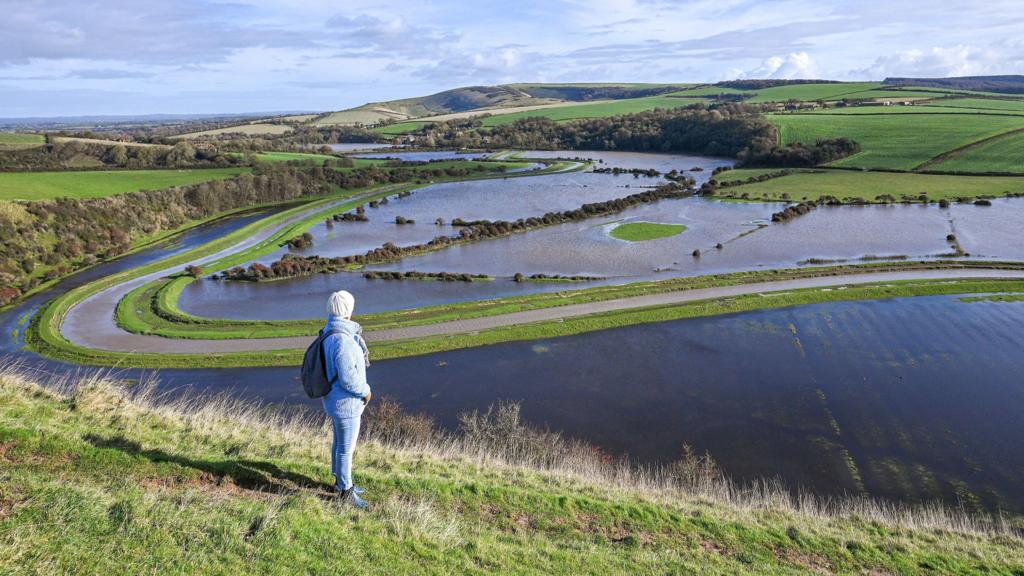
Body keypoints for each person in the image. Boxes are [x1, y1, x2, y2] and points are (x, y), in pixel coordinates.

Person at [322, 290, 372, 509]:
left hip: (334, 399)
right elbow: (349, 379)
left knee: (339, 443)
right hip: (346, 404)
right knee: (346, 449)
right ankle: (345, 492)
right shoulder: (343, 339)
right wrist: (366, 391)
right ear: (348, 310)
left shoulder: (328, 331)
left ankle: (339, 480)